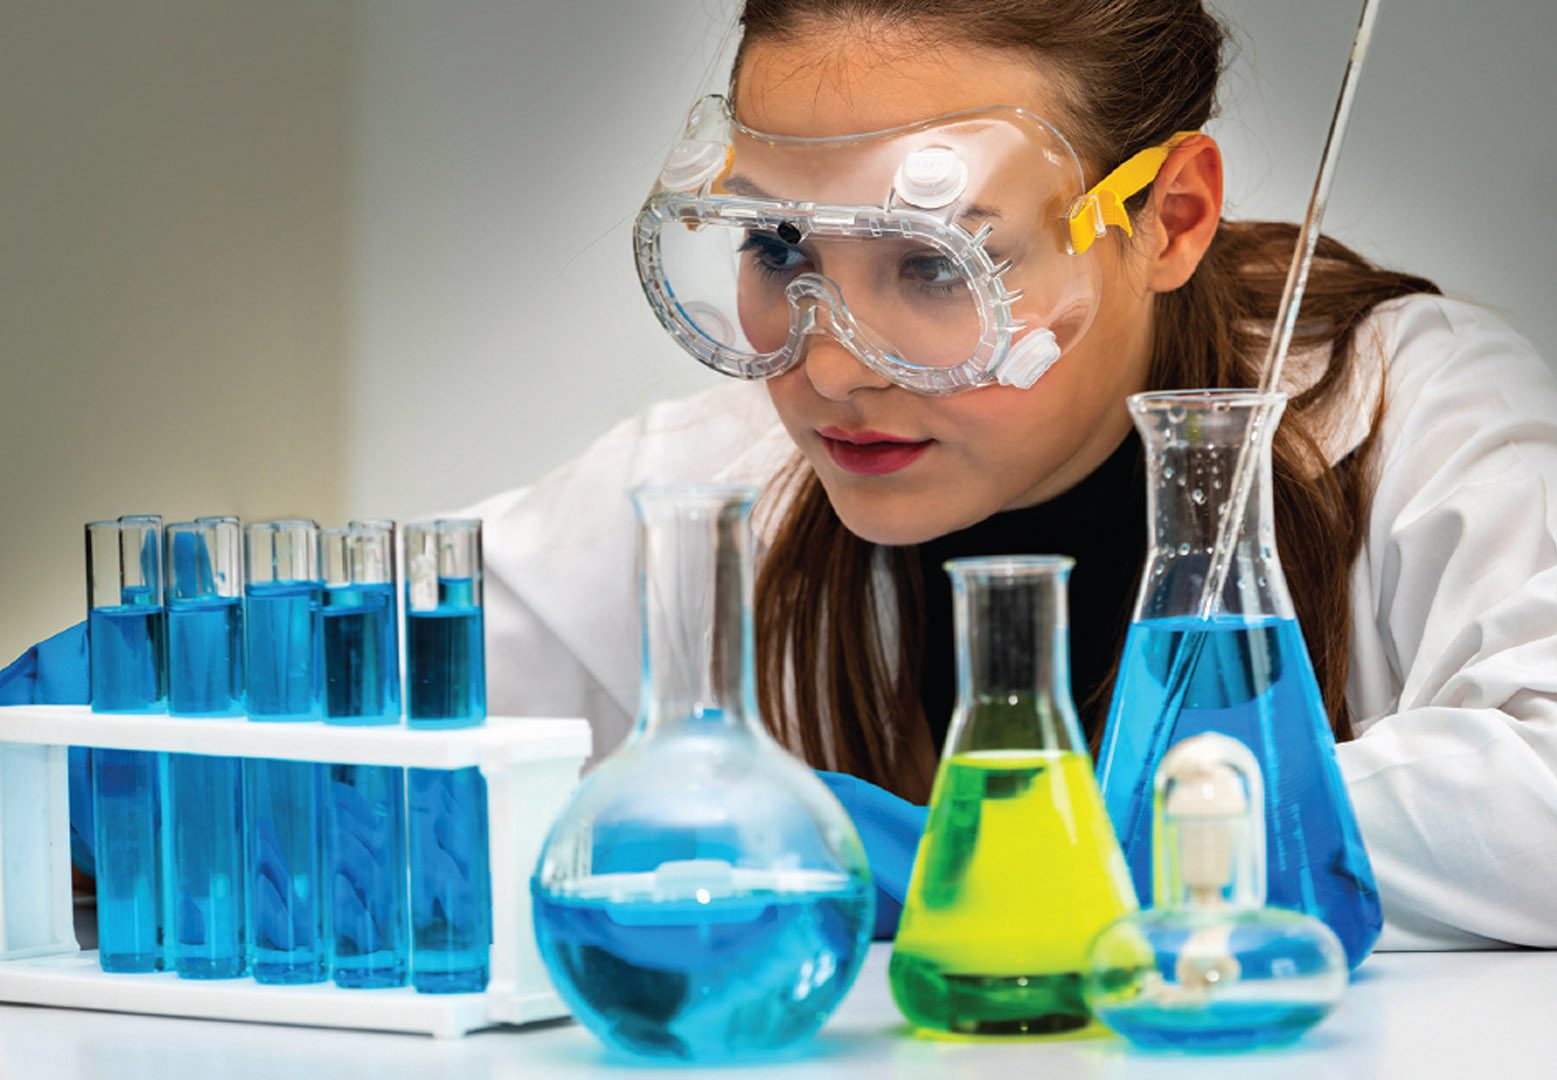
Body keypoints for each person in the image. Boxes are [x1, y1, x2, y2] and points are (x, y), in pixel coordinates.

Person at [469, 0, 1557, 952]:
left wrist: (1018, 848)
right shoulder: (724, 484)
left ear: (1170, 218)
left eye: (939, 263)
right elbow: (380, 688)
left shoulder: (1402, 409)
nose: (830, 368)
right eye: (778, 245)